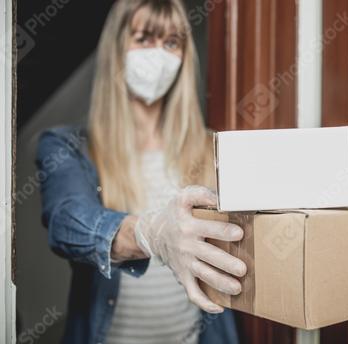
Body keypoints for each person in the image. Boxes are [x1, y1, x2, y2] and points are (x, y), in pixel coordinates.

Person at [36, 1, 246, 343]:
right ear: (117, 47)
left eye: (171, 43)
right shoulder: (68, 147)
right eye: (144, 38)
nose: (158, 55)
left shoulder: (211, 148)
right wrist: (151, 233)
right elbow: (66, 221)